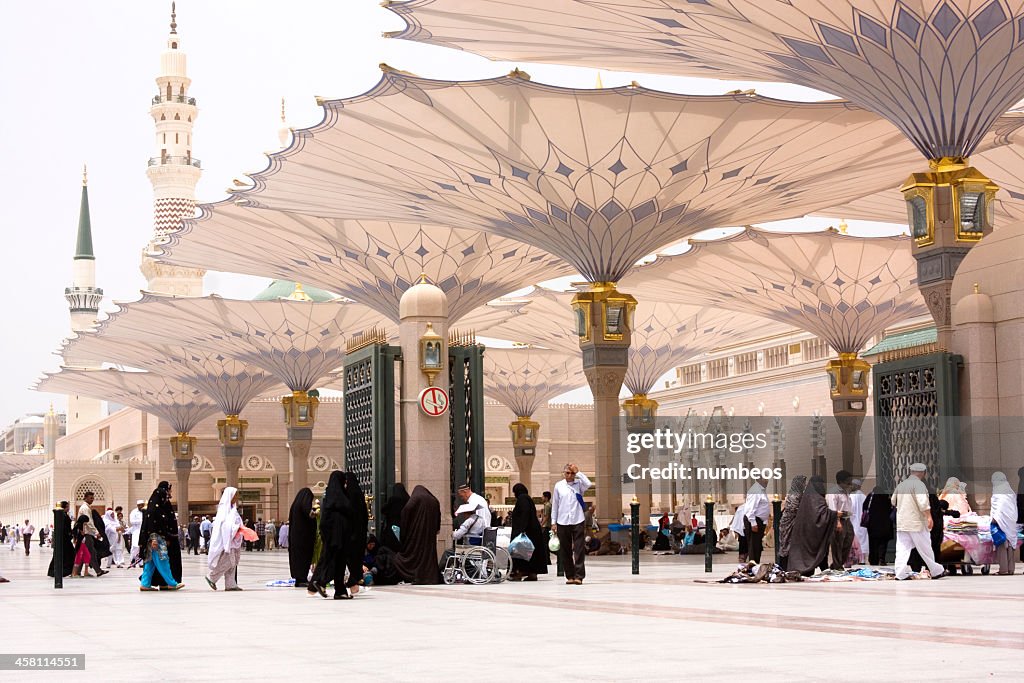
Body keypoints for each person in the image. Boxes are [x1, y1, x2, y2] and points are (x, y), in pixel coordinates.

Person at [891, 463, 944, 580]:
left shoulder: (901, 485)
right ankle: (936, 571)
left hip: (902, 523)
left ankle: (900, 573)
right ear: (923, 473)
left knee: (902, 549)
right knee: (925, 548)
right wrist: (929, 517)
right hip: (916, 522)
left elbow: (893, 501)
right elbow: (923, 503)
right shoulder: (919, 485)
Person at [390, 485, 443, 584]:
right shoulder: (434, 500)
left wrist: (405, 530)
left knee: (412, 555)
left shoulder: (416, 498)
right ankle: (429, 576)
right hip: (430, 535)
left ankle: (416, 575)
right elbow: (438, 518)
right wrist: (436, 529)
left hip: (417, 536)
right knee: (428, 556)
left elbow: (406, 511)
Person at [786, 475, 837, 576]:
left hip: (807, 532)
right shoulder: (816, 498)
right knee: (817, 552)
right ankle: (816, 569)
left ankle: (820, 569)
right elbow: (820, 514)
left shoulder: (807, 497)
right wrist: (834, 514)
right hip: (813, 534)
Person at [551, 462, 592, 585]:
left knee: (579, 549)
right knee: (565, 550)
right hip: (562, 521)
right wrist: (553, 522)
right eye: (568, 473)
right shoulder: (559, 486)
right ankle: (570, 575)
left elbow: (589, 484)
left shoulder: (579, 484)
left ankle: (579, 576)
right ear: (564, 473)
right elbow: (555, 505)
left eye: (572, 473)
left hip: (577, 519)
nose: (570, 475)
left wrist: (578, 472)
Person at [138, 481, 183, 586]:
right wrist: (154, 538)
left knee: (150, 562)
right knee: (163, 561)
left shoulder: (153, 509)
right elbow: (153, 525)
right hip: (157, 539)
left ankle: (145, 584)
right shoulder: (155, 511)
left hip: (153, 539)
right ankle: (171, 583)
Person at [508, 483, 549, 581]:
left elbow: (524, 515)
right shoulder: (527, 499)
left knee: (520, 553)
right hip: (532, 532)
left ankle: (519, 572)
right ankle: (532, 573)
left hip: (527, 532)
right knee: (532, 554)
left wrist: (521, 530)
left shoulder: (522, 499)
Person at [206, 486, 244, 591]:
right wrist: (236, 527)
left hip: (233, 539)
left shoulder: (232, 509)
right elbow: (225, 526)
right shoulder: (224, 509)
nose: (237, 497)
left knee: (233, 562)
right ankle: (212, 577)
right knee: (229, 562)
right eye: (235, 495)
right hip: (226, 540)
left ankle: (230, 584)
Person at [989, 471, 1018, 576]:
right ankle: (1011, 569)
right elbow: (1013, 506)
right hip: (1011, 520)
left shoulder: (998, 491)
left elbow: (1000, 506)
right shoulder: (1009, 490)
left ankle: (1003, 569)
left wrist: (995, 519)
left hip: (1001, 520)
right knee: (1010, 545)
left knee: (1002, 544)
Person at [288, 487, 317, 587]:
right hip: (303, 538)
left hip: (295, 537)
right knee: (303, 558)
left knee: (297, 558)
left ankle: (299, 578)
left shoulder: (295, 506)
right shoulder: (304, 507)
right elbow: (310, 516)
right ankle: (301, 579)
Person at [776, 475, 807, 571]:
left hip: (793, 523)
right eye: (803, 483)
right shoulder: (794, 495)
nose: (805, 485)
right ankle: (784, 568)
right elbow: (794, 509)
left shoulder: (798, 494)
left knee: (790, 546)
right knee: (786, 545)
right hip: (788, 524)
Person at [826, 470, 855, 570]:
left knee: (848, 540)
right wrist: (837, 522)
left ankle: (837, 564)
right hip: (838, 519)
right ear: (841, 481)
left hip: (847, 519)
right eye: (848, 481)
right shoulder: (834, 492)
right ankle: (837, 565)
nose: (850, 483)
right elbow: (833, 509)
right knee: (838, 543)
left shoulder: (845, 491)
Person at [76, 492, 107, 576]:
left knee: (87, 553)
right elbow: (88, 522)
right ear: (85, 498)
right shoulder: (85, 508)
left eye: (93, 498)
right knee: (91, 553)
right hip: (86, 534)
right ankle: (98, 571)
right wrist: (96, 532)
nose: (92, 500)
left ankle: (78, 571)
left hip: (87, 533)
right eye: (90, 498)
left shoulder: (86, 507)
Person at [863, 485, 894, 565]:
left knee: (873, 543)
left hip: (872, 525)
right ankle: (882, 559)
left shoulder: (870, 497)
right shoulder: (886, 498)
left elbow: (865, 507)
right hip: (885, 524)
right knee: (883, 542)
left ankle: (873, 559)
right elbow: (891, 509)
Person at [743, 477, 770, 564]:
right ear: (759, 479)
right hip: (754, 520)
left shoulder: (761, 490)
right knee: (754, 546)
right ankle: (753, 565)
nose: (767, 481)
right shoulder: (756, 490)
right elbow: (750, 508)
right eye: (765, 479)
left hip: (759, 521)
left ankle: (755, 563)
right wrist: (753, 523)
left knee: (757, 545)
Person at [47, 502, 75, 579]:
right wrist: (69, 534)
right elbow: (64, 527)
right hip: (64, 540)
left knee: (66, 555)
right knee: (65, 555)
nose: (68, 508)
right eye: (67, 507)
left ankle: (63, 571)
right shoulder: (62, 515)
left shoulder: (65, 515)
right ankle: (59, 571)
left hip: (65, 539)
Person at [380, 483, 410, 552]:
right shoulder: (407, 500)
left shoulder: (393, 500)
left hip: (392, 528)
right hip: (404, 529)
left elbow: (383, 510)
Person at [849, 480, 869, 565]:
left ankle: (855, 559)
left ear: (857, 486)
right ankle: (862, 560)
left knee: (855, 541)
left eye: (852, 485)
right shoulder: (864, 496)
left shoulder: (852, 496)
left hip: (854, 521)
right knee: (863, 541)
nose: (851, 486)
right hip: (863, 523)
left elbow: (851, 509)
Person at [128, 501, 145, 568]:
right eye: (140, 505)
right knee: (135, 546)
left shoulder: (145, 511)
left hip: (143, 531)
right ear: (137, 505)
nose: (141, 506)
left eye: (142, 505)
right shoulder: (134, 512)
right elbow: (132, 521)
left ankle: (140, 563)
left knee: (141, 547)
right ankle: (132, 560)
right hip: (136, 531)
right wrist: (141, 521)